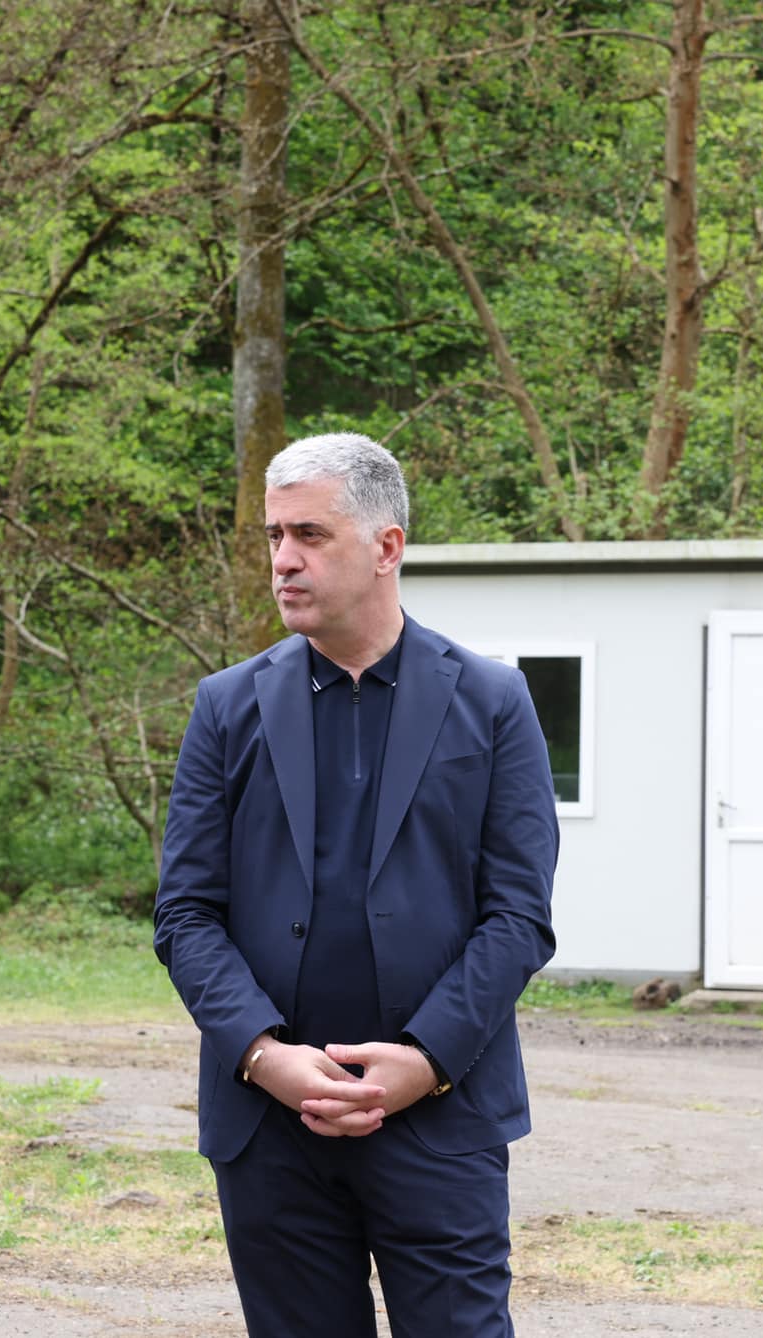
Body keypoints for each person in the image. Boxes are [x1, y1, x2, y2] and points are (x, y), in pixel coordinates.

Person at [154, 433, 559, 1337]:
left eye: (310, 534)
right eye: (273, 536)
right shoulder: (226, 706)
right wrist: (265, 1057)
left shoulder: (493, 701)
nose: (283, 560)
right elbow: (185, 914)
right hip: (269, 1126)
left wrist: (425, 1061)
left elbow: (518, 917)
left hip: (442, 1119)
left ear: (387, 546)